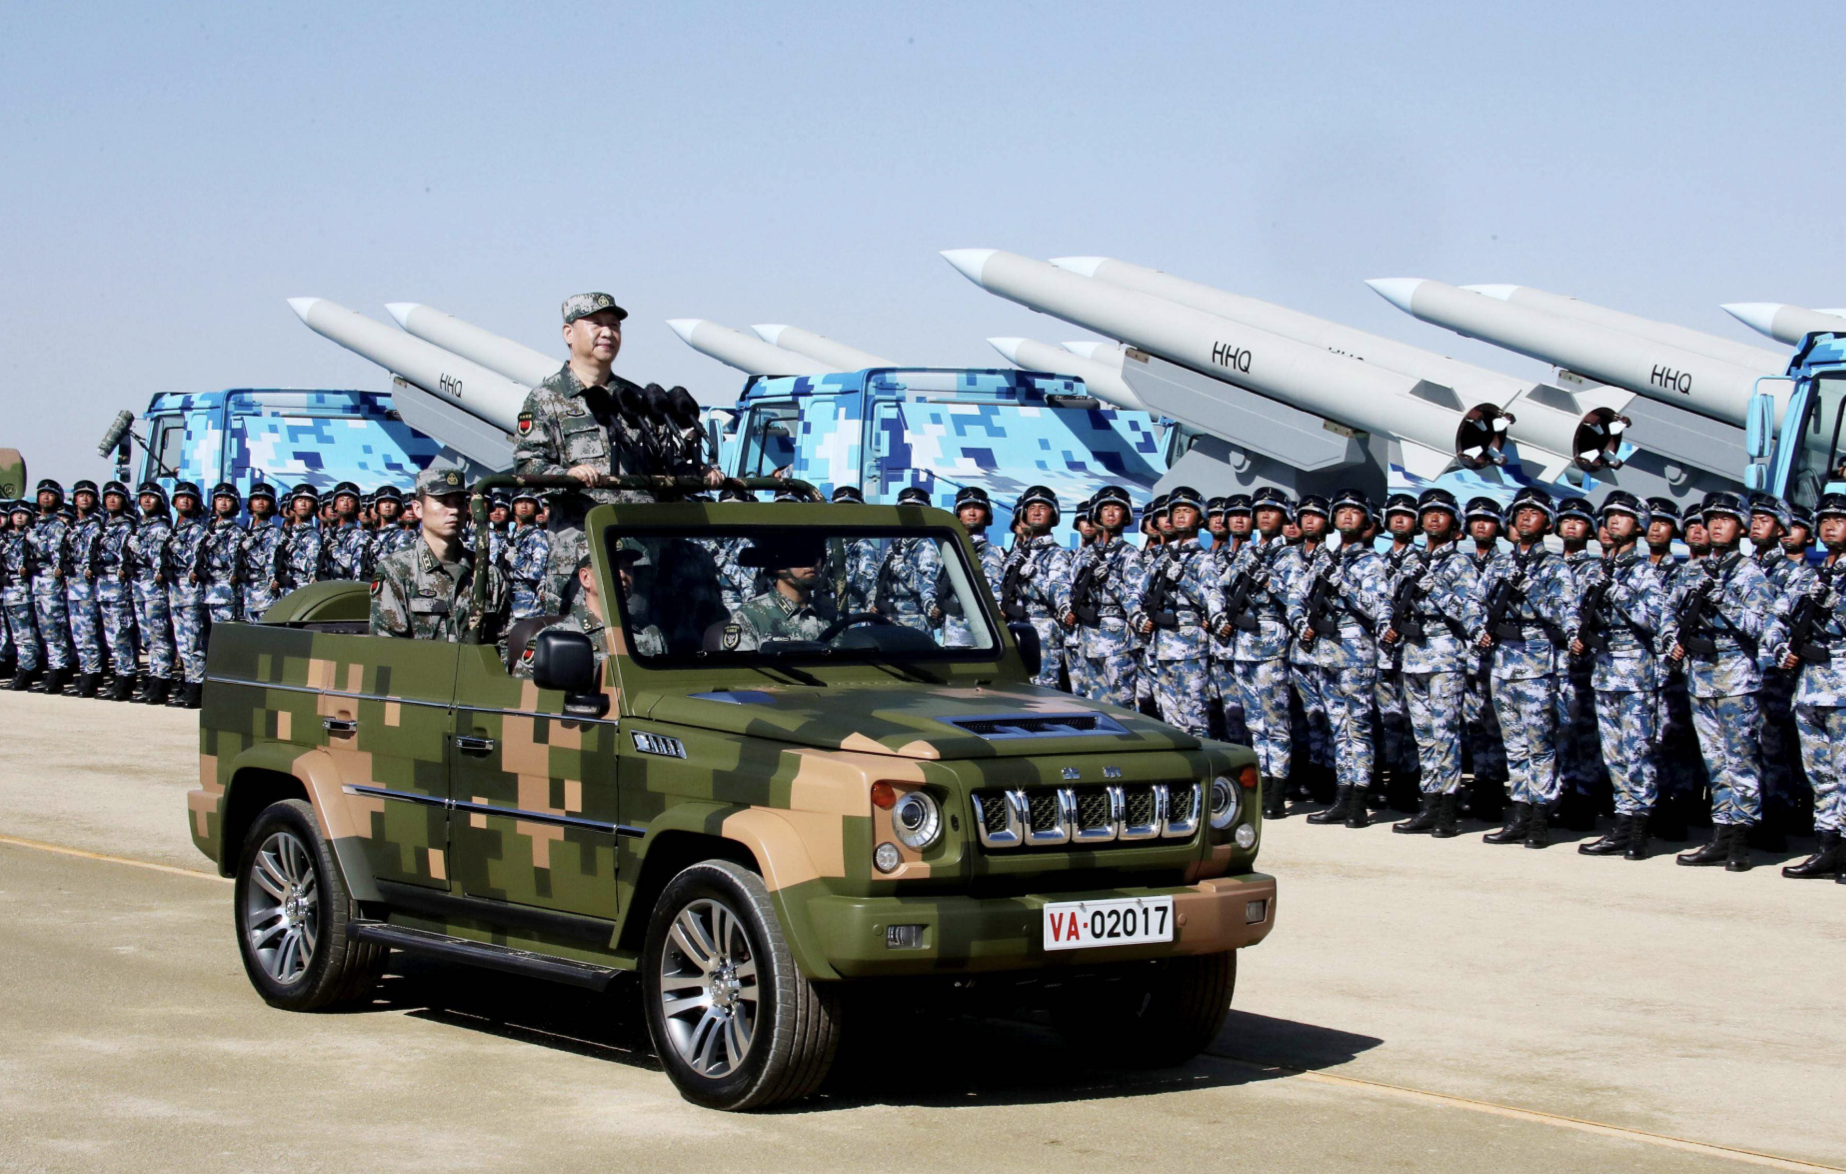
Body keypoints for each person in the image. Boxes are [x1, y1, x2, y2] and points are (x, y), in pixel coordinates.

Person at [511, 292, 720, 611]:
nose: (607, 332)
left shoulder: (634, 398)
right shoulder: (545, 399)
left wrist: (695, 472)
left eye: (614, 325)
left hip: (639, 557)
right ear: (568, 333)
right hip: (581, 557)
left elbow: (664, 462)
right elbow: (527, 466)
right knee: (580, 641)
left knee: (643, 637)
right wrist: (567, 475)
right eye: (596, 324)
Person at [1670, 491, 1775, 872]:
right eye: (1711, 519)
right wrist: (1671, 640)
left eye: (1725, 519)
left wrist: (1724, 601)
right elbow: (1669, 612)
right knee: (1715, 762)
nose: (1716, 525)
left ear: (1741, 528)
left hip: (1736, 680)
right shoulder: (1692, 571)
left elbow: (1761, 625)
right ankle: (1721, 832)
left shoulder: (1749, 573)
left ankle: (1741, 838)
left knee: (1740, 760)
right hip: (1700, 677)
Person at [1476, 488, 1577, 848]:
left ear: (1548, 523)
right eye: (1520, 512)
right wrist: (1477, 628)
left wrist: (1531, 588)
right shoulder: (1500, 564)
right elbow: (1475, 601)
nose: (1525, 518)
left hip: (1536, 663)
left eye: (1534, 513)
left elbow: (1565, 614)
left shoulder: (1555, 567)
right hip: (1503, 661)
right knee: (1514, 745)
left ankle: (1539, 817)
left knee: (1540, 745)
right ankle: (1519, 813)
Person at [1571, 492, 1665, 859]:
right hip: (1605, 670)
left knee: (1637, 751)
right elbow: (1577, 611)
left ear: (1639, 527)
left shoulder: (1644, 571)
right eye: (1609, 515)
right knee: (1613, 754)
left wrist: (1618, 592)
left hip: (1635, 674)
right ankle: (1622, 823)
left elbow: (1654, 619)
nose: (1613, 521)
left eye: (1623, 516)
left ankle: (1639, 829)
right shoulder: (1596, 568)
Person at [1289, 488, 1390, 827]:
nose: (1347, 515)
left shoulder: (1371, 562)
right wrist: (1300, 623)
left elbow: (1378, 608)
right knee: (1338, 730)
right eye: (1342, 510)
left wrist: (1343, 584)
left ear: (1366, 520)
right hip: (1324, 654)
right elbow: (1296, 595)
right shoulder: (1324, 558)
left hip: (1355, 655)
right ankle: (1342, 797)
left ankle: (1358, 802)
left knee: (1358, 729)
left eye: (1355, 511)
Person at [1384, 489, 1480, 837]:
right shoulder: (1411, 561)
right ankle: (1430, 803)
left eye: (1442, 513)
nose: (1434, 518)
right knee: (1423, 737)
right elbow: (1388, 599)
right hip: (1412, 655)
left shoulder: (1460, 564)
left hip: (1444, 656)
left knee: (1444, 734)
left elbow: (1470, 612)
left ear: (1454, 522)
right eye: (1428, 513)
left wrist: (1435, 590)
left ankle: (1447, 809)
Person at [1768, 492, 1846, 881]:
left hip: (1843, 689)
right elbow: (1774, 619)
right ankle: (1828, 848)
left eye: (1839, 520)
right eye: (1825, 520)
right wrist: (1781, 649)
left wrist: (1837, 605)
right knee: (1821, 776)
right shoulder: (1808, 576)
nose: (1830, 526)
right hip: (1809, 689)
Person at [370, 467, 509, 641]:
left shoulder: (486, 573)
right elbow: (388, 646)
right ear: (418, 509)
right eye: (443, 502)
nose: (454, 510)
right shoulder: (396, 571)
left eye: (459, 502)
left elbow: (505, 641)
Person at [1134, 486, 1228, 737]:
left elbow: (1211, 599)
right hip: (1161, 646)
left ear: (1200, 518)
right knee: (1170, 719)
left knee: (1195, 718)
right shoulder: (1161, 558)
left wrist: (1183, 578)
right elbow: (1136, 593)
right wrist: (1137, 616)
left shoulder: (1203, 559)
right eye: (1176, 511)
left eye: (1187, 511)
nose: (1180, 516)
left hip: (1189, 648)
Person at [1227, 487, 1297, 819]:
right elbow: (1225, 585)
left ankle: (1277, 791)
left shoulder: (1290, 556)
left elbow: (1296, 599)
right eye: (1260, 511)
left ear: (1284, 516)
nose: (1265, 515)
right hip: (1244, 644)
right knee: (1255, 722)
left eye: (1273, 510)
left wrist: (1267, 579)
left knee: (1275, 721)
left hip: (1271, 645)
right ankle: (1261, 783)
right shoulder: (1247, 552)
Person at [1064, 486, 1145, 707]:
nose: (1110, 513)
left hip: (1118, 641)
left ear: (1125, 514)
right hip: (1087, 637)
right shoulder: (1084, 555)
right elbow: (1069, 588)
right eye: (1105, 508)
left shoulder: (1129, 554)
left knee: (1121, 704)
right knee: (1094, 704)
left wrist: (1109, 579)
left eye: (1116, 508)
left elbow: (1135, 597)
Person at [1553, 496, 1605, 831]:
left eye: (1579, 521)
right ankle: (1563, 792)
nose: (1571, 526)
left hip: (1582, 664)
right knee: (1557, 733)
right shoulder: (1549, 566)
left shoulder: (1595, 570)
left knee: (1584, 733)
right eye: (1566, 520)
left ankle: (1585, 799)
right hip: (1549, 661)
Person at [1278, 495, 1334, 794]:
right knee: (1301, 716)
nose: (1308, 521)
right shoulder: (1288, 556)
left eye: (1316, 515)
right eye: (1305, 516)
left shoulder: (1333, 558)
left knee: (1327, 717)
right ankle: (1302, 773)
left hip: (1326, 649)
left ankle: (1325, 776)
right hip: (1293, 650)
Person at [1374, 492, 1425, 810]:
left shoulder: (1422, 562)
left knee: (1413, 723)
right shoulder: (1378, 562)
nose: (1400, 520)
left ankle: (1409, 786)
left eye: (1406, 515)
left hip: (1414, 654)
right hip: (1381, 654)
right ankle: (1392, 781)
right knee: (1388, 723)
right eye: (1395, 515)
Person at [1460, 495, 1510, 821]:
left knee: (1497, 728)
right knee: (1474, 726)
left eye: (1488, 520)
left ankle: (1493, 790)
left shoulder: (1505, 566)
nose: (1481, 525)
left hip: (1497, 658)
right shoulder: (1461, 563)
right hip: (1464, 657)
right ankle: (1481, 784)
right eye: (1476, 519)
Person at [1003, 486, 1074, 690]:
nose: (1036, 512)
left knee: (1044, 691)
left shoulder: (1056, 554)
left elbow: (1059, 593)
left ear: (1053, 514)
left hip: (1043, 630)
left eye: (1042, 508)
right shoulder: (1018, 553)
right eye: (1031, 508)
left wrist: (1033, 574)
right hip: (1015, 626)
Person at [721, 533, 838, 650]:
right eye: (802, 555)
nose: (812, 563)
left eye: (817, 555)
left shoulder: (832, 616)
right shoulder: (749, 617)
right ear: (778, 564)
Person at [124, 482, 174, 704]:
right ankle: (154, 678)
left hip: (154, 590)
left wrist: (136, 546)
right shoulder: (141, 526)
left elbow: (157, 559)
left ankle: (161, 681)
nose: (146, 500)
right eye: (143, 496)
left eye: (151, 497)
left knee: (159, 636)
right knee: (148, 639)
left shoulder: (160, 528)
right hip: (140, 588)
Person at [1208, 495, 1252, 744]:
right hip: (1218, 646)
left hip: (1251, 645)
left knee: (1253, 713)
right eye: (1233, 515)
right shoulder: (1215, 557)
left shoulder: (1258, 555)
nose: (1238, 520)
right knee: (1224, 710)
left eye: (1244, 515)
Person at [162, 482, 209, 708]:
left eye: (189, 497)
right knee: (182, 644)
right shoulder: (174, 529)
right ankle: (189, 681)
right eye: (181, 497)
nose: (185, 500)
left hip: (191, 594)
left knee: (193, 643)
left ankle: (197, 687)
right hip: (175, 593)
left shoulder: (198, 530)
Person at [941, 486, 1004, 649]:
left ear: (986, 514)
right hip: (951, 631)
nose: (972, 512)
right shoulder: (950, 548)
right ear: (958, 513)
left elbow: (993, 587)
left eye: (977, 508)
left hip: (976, 631)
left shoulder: (989, 550)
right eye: (966, 508)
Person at [873, 486, 942, 634]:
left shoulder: (926, 548)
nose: (910, 515)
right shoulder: (895, 545)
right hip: (891, 617)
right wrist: (874, 602)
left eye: (916, 511)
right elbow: (880, 580)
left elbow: (927, 585)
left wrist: (900, 567)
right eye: (906, 510)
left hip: (915, 619)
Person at [25, 479, 73, 694]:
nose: (45, 497)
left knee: (54, 629)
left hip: (51, 583)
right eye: (42, 493)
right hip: (37, 583)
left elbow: (51, 553)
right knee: (45, 630)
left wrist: (33, 538)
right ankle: (52, 668)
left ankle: (58, 670)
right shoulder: (37, 524)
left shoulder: (56, 526)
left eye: (50, 494)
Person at [94, 482, 139, 700]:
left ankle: (126, 677)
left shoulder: (126, 526)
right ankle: (119, 675)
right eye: (108, 496)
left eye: (117, 496)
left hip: (119, 589)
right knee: (112, 637)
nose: (112, 500)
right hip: (104, 588)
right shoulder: (104, 525)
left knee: (122, 635)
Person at [2, 501, 42, 691]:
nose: (19, 517)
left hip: (23, 590)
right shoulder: (5, 538)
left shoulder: (32, 537)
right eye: (15, 513)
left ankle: (27, 670)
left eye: (23, 513)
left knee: (26, 635)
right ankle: (21, 669)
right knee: (16, 636)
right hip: (8, 590)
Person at [199, 482, 245, 627]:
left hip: (226, 592)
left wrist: (214, 543)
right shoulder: (207, 529)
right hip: (208, 590)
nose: (223, 503)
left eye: (228, 499)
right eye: (219, 499)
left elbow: (233, 561)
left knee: (226, 634)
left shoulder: (235, 531)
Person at [505, 487, 552, 621]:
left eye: (529, 502)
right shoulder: (510, 536)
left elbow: (538, 571)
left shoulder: (537, 536)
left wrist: (515, 559)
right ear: (513, 506)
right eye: (520, 502)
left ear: (536, 507)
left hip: (528, 607)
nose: (524, 506)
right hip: (507, 603)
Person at [240, 483, 284, 620]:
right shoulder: (245, 531)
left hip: (265, 592)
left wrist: (251, 547)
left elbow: (270, 561)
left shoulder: (273, 532)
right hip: (247, 592)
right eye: (256, 498)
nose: (260, 502)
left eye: (265, 499)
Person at [276, 484, 324, 592]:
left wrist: (293, 550)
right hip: (284, 591)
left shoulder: (312, 534)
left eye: (308, 500)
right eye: (299, 500)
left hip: (302, 590)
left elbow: (312, 566)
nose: (303, 504)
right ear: (293, 505)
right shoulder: (286, 532)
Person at [323, 482, 367, 581]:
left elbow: (358, 567)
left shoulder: (358, 535)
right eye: (341, 500)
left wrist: (337, 552)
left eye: (350, 500)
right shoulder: (329, 533)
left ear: (356, 506)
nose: (345, 503)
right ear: (335, 505)